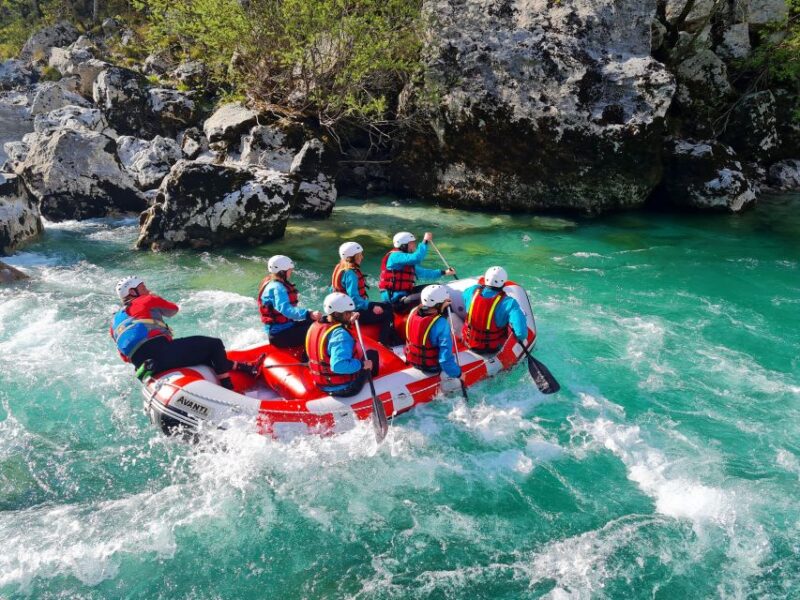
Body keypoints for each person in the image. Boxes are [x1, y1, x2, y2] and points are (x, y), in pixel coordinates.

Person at [110, 276, 261, 390]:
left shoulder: (114, 323)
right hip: (162, 355)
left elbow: (125, 357)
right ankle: (229, 389)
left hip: (146, 366)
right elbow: (173, 310)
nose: (147, 289)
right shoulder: (147, 299)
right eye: (143, 287)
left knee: (204, 355)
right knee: (215, 345)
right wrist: (153, 298)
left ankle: (247, 368)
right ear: (132, 291)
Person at [305, 292, 379, 397]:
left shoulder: (317, 325)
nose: (350, 314)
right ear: (337, 314)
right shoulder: (341, 335)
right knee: (371, 355)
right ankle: (376, 382)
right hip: (345, 387)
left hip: (322, 383)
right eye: (348, 313)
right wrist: (362, 365)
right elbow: (338, 366)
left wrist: (349, 320)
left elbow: (334, 330)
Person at [332, 241, 403, 346]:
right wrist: (370, 306)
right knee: (387, 315)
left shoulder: (340, 268)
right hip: (353, 312)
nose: (362, 257)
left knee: (388, 305)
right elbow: (354, 299)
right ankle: (383, 343)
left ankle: (392, 335)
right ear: (352, 257)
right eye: (359, 255)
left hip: (348, 309)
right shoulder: (350, 274)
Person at [378, 231, 456, 311]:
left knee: (437, 288)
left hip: (406, 294)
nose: (414, 245)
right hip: (396, 302)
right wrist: (425, 241)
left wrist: (444, 272)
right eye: (412, 243)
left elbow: (423, 273)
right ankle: (441, 314)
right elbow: (417, 258)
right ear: (403, 245)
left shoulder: (405, 260)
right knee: (434, 295)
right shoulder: (395, 257)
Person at [258, 255, 323, 349]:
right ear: (282, 271)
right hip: (280, 335)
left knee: (318, 321)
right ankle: (307, 358)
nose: (291, 272)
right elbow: (286, 310)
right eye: (290, 270)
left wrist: (309, 316)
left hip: (284, 328)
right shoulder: (277, 288)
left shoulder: (270, 281)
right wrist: (308, 314)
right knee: (318, 329)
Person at [462, 266, 529, 353]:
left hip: (467, 341)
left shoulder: (472, 290)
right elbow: (521, 333)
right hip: (492, 349)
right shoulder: (510, 303)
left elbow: (464, 296)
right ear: (504, 283)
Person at [403, 285, 462, 379]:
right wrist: (458, 375)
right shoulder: (441, 323)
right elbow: (444, 360)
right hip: (432, 367)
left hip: (412, 360)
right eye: (445, 301)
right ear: (438, 304)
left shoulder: (413, 312)